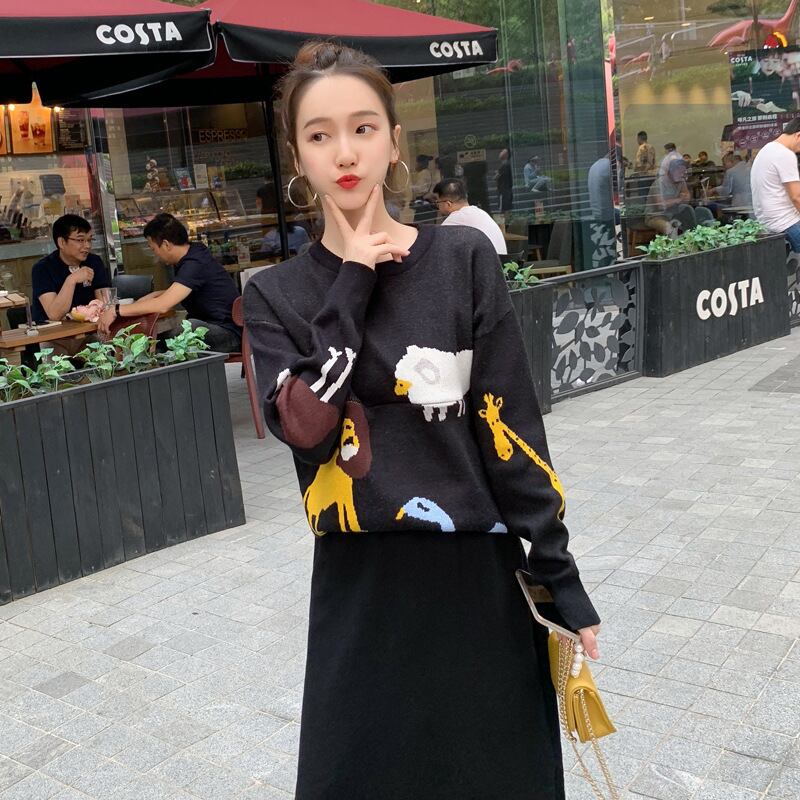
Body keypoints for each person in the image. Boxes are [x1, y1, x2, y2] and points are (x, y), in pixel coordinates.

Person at [243, 41, 600, 800]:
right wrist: (352, 278)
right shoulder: (275, 295)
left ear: (394, 141)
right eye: (319, 135)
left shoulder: (461, 258)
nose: (345, 152)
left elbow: (510, 428)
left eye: (363, 127)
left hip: (478, 579)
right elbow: (306, 426)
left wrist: (559, 577)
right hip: (361, 588)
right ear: (297, 157)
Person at [98, 213, 241, 352]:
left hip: (227, 334)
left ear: (166, 244)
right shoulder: (194, 251)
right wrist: (156, 294)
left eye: (154, 249)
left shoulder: (194, 263)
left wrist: (116, 310)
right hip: (216, 327)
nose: (155, 254)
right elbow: (182, 291)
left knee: (171, 337)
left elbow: (163, 305)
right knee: (161, 338)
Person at [31, 214, 111, 326]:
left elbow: (105, 303)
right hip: (55, 333)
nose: (87, 245)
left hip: (89, 328)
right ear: (62, 242)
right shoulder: (42, 269)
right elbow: (54, 315)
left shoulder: (94, 262)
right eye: (80, 240)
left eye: (89, 240)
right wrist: (71, 280)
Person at [750, 117, 800, 251]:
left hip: (768, 223)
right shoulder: (785, 154)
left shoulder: (766, 150)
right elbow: (797, 197)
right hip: (787, 223)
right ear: (798, 135)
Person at [433, 178, 507, 255]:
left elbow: (437, 248)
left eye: (437, 202)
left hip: (485, 262)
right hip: (501, 261)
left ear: (448, 204)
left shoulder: (454, 220)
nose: (437, 206)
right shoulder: (481, 213)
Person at [645, 157, 692, 235]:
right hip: (655, 216)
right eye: (680, 172)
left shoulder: (681, 181)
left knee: (690, 220)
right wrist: (679, 199)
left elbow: (687, 197)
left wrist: (676, 200)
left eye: (684, 172)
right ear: (671, 171)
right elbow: (661, 206)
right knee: (668, 228)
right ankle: (674, 242)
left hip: (673, 214)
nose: (682, 175)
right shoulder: (659, 183)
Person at [496, 147, 513, 212]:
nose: (500, 153)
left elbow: (496, 177)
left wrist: (497, 174)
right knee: (507, 210)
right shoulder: (506, 164)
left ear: (506, 155)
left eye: (502, 151)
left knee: (503, 210)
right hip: (507, 190)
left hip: (503, 191)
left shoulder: (504, 165)